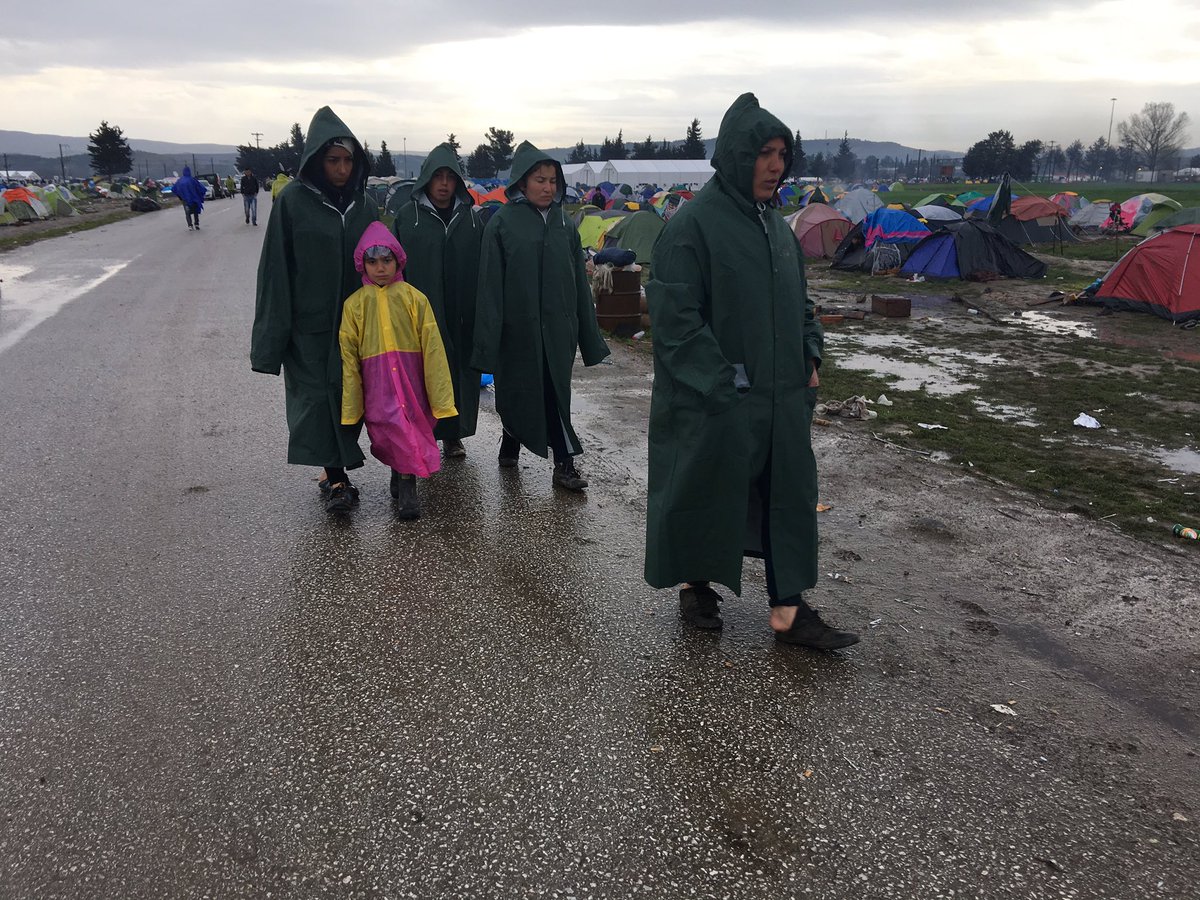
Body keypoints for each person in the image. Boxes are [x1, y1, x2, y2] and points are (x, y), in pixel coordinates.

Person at [643, 93, 859, 651]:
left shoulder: (777, 227)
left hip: (781, 398)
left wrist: (810, 353)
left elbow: (801, 303)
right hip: (715, 400)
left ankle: (788, 611)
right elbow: (675, 323)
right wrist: (722, 384)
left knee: (786, 498)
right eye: (764, 153)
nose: (775, 165)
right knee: (703, 491)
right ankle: (695, 587)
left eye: (782, 153)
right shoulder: (692, 227)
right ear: (737, 156)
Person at [251, 107, 378, 514]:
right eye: (333, 160)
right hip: (310, 329)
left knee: (351, 398)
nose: (342, 169)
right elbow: (275, 271)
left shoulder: (365, 206)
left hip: (357, 328)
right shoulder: (293, 203)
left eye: (348, 161)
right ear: (317, 162)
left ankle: (337, 469)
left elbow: (385, 264)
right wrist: (273, 341)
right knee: (317, 401)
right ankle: (336, 477)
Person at [472, 141, 610, 491]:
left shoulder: (565, 224)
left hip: (558, 330)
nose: (548, 187)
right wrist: (487, 345)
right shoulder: (501, 224)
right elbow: (490, 288)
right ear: (522, 182)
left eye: (553, 180)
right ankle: (511, 437)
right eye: (540, 180)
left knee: (554, 394)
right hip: (517, 332)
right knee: (517, 392)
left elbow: (579, 282)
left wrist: (589, 337)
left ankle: (564, 464)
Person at [339, 222, 457, 519]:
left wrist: (440, 396)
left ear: (398, 260)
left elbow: (432, 349)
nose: (381, 268)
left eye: (387, 260)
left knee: (409, 428)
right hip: (377, 384)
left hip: (410, 381)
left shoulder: (414, 299)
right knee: (387, 432)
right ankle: (399, 469)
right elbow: (350, 358)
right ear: (362, 264)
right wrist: (353, 405)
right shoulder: (355, 306)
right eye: (373, 262)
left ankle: (408, 487)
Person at [393, 143, 483, 459]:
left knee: (456, 373)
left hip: (461, 313)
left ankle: (453, 434)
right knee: (421, 373)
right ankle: (423, 435)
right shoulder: (407, 218)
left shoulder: (472, 220)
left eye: (450, 177)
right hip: (421, 312)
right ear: (426, 180)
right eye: (437, 177)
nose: (444, 184)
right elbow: (392, 269)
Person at [172, 166, 207, 230]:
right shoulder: (193, 180)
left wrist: (180, 196)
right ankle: (196, 224)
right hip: (194, 199)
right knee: (195, 212)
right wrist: (201, 195)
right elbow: (200, 188)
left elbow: (174, 189)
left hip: (185, 200)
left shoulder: (180, 181)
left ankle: (190, 225)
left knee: (187, 213)